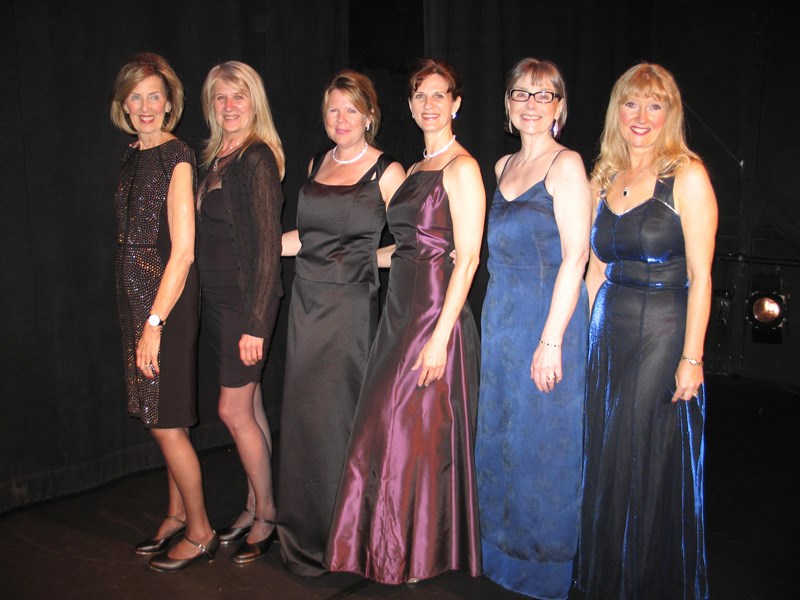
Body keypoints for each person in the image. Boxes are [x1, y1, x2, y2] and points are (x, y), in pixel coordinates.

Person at [326, 58, 485, 585]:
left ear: (456, 104)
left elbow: (467, 258)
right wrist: (347, 257)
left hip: (436, 317)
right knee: (393, 434)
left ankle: (412, 554)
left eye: (439, 95)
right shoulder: (416, 171)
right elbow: (408, 248)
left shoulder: (462, 168)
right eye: (420, 96)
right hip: (399, 313)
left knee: (410, 435)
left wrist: (440, 339)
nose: (429, 105)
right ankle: (385, 548)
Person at [577, 63, 716, 599]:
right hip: (607, 329)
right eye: (632, 104)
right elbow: (593, 269)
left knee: (644, 455)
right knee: (606, 453)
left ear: (670, 114)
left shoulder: (687, 175)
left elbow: (703, 275)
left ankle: (643, 581)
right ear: (617, 110)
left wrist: (693, 357)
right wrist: (579, 339)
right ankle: (606, 577)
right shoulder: (606, 177)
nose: (641, 116)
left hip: (662, 328)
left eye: (654, 105)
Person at [277, 70, 405, 576]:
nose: (341, 119)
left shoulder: (386, 171)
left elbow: (415, 245)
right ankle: (305, 534)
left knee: (339, 420)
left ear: (370, 115)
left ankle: (347, 539)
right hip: (305, 306)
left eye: (351, 109)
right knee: (305, 420)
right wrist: (249, 248)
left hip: (349, 310)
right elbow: (305, 238)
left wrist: (361, 262)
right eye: (333, 109)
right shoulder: (316, 162)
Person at [475, 58, 591, 599]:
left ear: (559, 108)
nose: (530, 103)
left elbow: (576, 257)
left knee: (545, 447)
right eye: (520, 93)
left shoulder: (566, 166)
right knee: (500, 440)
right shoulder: (500, 167)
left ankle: (544, 568)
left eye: (543, 95)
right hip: (501, 321)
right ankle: (500, 554)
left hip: (549, 322)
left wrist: (550, 341)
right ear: (507, 104)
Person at [110, 52, 217, 572]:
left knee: (166, 424)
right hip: (139, 305)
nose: (146, 106)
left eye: (155, 96)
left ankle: (200, 531)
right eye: (136, 96)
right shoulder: (134, 155)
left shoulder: (177, 157)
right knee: (161, 416)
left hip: (165, 305)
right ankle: (176, 513)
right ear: (123, 105)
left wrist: (153, 324)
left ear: (170, 102)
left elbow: (183, 251)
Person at [195, 61, 285, 565]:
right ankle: (254, 502)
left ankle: (268, 511)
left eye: (239, 97)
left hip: (246, 306)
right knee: (249, 408)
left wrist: (256, 322)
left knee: (232, 411)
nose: (229, 106)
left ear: (255, 102)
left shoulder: (255, 158)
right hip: (222, 303)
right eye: (221, 98)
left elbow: (269, 248)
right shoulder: (218, 157)